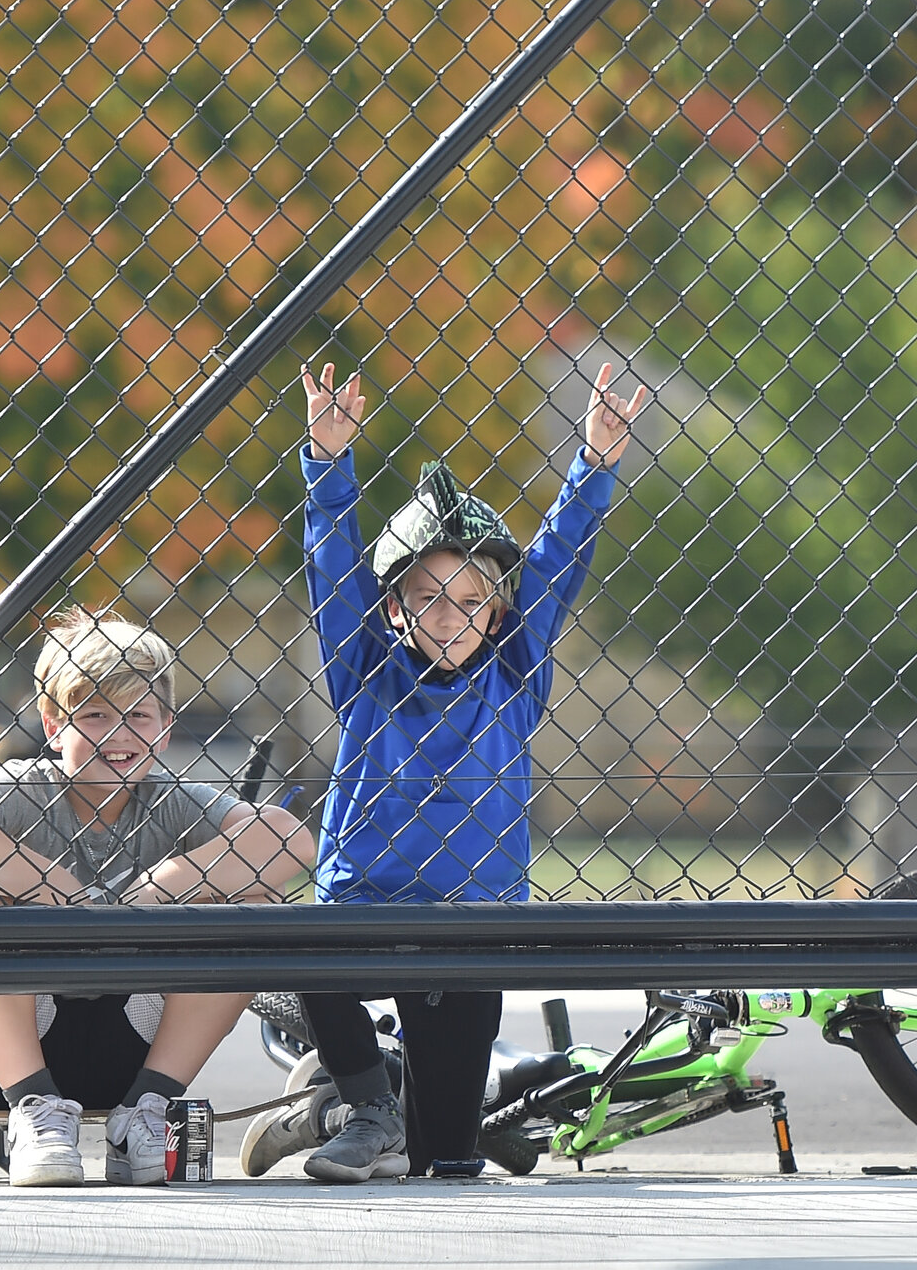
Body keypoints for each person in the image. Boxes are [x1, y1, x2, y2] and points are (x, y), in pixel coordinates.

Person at [240, 357, 647, 1183]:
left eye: (469, 600)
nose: (448, 616)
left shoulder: (514, 672)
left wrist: (594, 465)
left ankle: (385, 1108)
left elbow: (558, 564)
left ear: (497, 610)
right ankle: (365, 1101)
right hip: (363, 905)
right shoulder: (364, 667)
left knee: (450, 1160)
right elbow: (331, 565)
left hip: (472, 915)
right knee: (305, 951)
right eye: (425, 596)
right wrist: (327, 463)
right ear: (394, 605)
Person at [0, 611, 316, 1186]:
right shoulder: (24, 787)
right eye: (96, 714)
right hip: (13, 1041)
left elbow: (287, 838)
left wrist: (163, 885)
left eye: (138, 716)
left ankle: (147, 1113)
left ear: (165, 729)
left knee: (253, 897)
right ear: (54, 723)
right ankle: (36, 1112)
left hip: (133, 1044)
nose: (119, 734)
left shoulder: (171, 800)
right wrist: (51, 887)